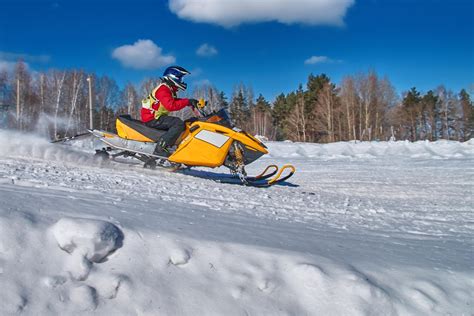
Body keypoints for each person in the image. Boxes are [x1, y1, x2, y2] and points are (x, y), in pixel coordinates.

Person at [141, 66, 199, 158]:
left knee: (183, 124)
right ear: (172, 77)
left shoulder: (168, 89)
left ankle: (171, 146)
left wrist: (190, 102)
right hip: (152, 118)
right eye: (180, 78)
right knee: (178, 123)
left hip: (155, 117)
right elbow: (171, 105)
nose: (182, 81)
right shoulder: (163, 89)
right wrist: (187, 102)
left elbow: (174, 101)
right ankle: (160, 149)